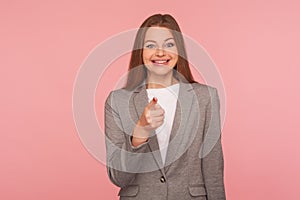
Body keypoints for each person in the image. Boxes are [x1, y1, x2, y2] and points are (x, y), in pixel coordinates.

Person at [105, 13, 226, 200]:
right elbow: (118, 177)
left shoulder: (205, 97)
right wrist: (140, 133)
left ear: (179, 51)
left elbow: (213, 169)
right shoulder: (117, 101)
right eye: (151, 45)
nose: (160, 52)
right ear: (140, 51)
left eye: (169, 44)